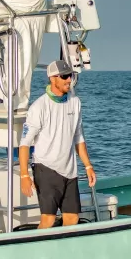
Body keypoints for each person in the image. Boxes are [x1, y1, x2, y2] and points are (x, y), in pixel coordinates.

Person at [18, 60, 96, 229]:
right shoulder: (39, 107)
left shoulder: (75, 102)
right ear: (53, 79)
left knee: (72, 218)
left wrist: (88, 166)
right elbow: (24, 143)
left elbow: (79, 137)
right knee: (48, 219)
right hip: (46, 168)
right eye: (65, 76)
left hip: (70, 170)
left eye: (71, 76)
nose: (69, 80)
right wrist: (24, 175)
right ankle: (35, 252)